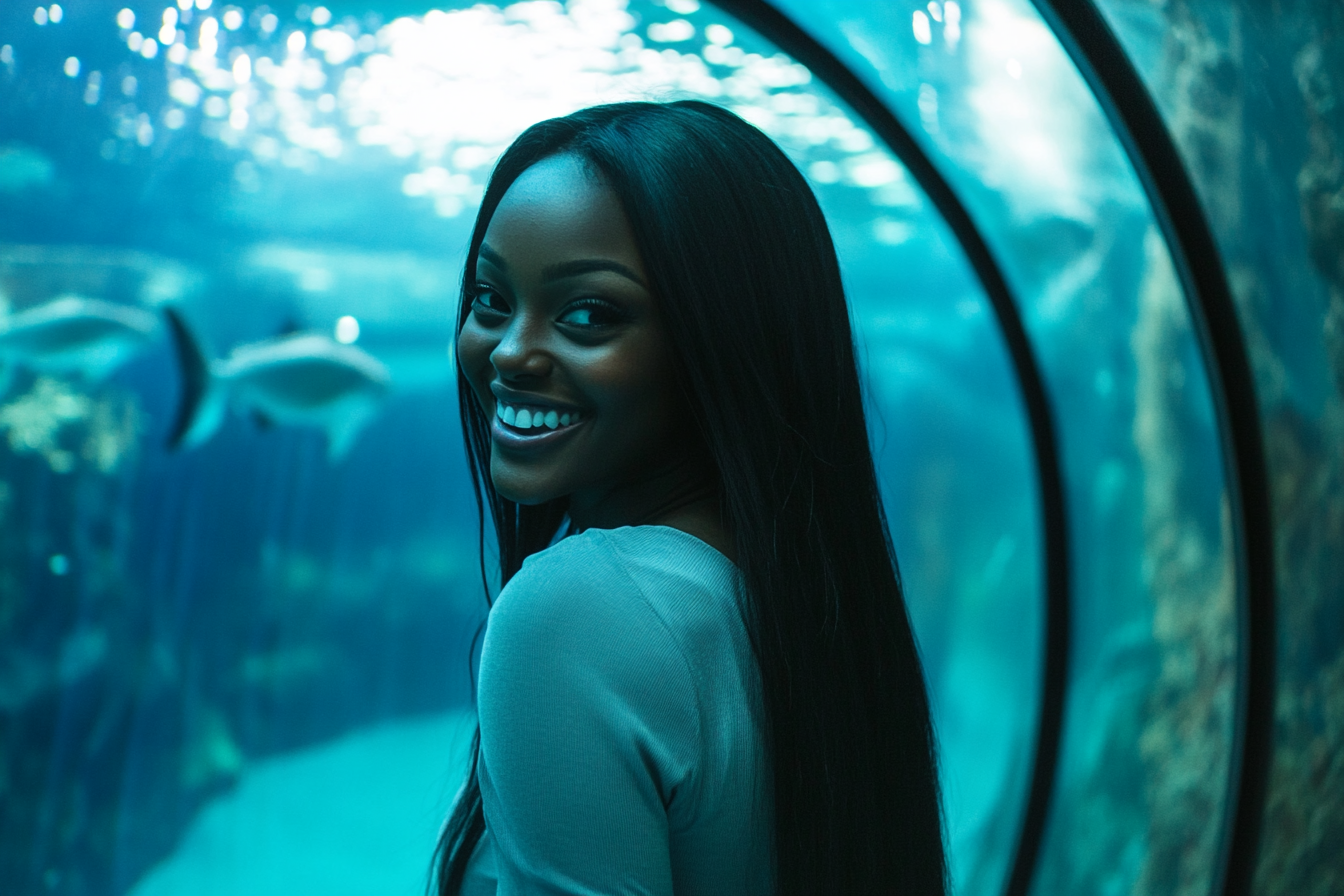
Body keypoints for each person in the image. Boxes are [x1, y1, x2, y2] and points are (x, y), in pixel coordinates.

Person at [432, 100, 946, 895]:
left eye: (589, 314)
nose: (509, 352)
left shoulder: (573, 614)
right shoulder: (808, 601)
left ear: (720, 342)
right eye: (491, 300)